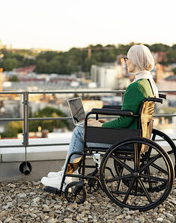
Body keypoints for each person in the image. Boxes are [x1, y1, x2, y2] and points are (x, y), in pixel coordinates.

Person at [41, 45, 159, 190]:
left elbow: (126, 120)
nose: (126, 62)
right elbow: (130, 116)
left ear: (135, 61)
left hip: (126, 140)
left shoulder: (135, 87)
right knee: (87, 127)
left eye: (128, 59)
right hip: (137, 135)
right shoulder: (149, 84)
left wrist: (101, 126)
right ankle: (68, 172)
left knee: (80, 131)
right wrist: (105, 123)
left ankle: (66, 177)